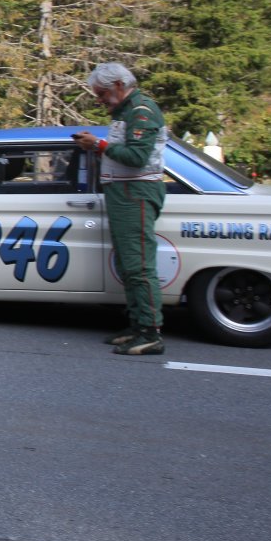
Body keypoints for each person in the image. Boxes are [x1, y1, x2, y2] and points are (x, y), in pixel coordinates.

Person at [71, 62, 169, 356]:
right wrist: (96, 146)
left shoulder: (141, 111)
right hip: (124, 193)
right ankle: (137, 325)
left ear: (117, 85)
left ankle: (150, 332)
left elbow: (137, 157)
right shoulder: (125, 112)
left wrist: (99, 144)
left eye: (101, 93)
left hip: (136, 193)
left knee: (138, 265)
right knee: (127, 264)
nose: (99, 100)